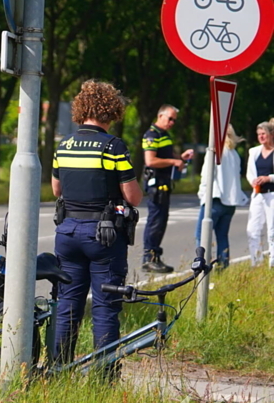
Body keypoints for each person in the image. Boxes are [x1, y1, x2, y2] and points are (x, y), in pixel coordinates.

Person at [52, 80, 142, 368]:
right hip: (103, 236)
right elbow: (133, 196)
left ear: (82, 108)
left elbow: (57, 190)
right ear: (111, 110)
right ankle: (103, 378)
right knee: (105, 307)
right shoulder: (113, 146)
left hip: (67, 232)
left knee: (67, 304)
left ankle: (58, 368)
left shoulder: (63, 145)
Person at [141, 104, 194, 273]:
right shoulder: (152, 134)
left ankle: (155, 256)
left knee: (161, 221)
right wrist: (173, 162)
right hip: (156, 184)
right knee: (155, 221)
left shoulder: (164, 135)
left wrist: (180, 158)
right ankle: (148, 258)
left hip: (165, 184)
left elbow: (166, 156)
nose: (172, 122)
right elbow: (150, 160)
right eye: (169, 118)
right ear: (160, 116)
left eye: (174, 120)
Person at [195, 125, 249, 268]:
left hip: (215, 199)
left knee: (202, 236)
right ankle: (223, 267)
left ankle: (201, 267)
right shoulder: (234, 154)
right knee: (222, 236)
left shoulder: (214, 152)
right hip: (231, 202)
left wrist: (202, 195)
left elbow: (207, 176)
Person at [246, 121, 274, 267]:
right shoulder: (254, 152)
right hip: (258, 194)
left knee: (272, 230)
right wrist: (253, 181)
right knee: (252, 229)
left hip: (272, 193)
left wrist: (269, 178)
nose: (261, 137)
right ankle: (256, 262)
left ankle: (272, 263)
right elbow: (250, 173)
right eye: (259, 134)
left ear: (271, 134)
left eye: (264, 134)